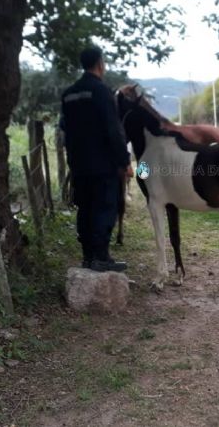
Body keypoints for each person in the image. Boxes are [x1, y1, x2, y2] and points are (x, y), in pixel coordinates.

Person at [61, 45, 133, 271]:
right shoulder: (102, 92)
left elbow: (65, 129)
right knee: (104, 208)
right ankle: (101, 257)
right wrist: (125, 161)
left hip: (78, 164)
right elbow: (113, 130)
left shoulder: (68, 94)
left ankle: (88, 256)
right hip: (103, 165)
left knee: (85, 208)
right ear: (100, 64)